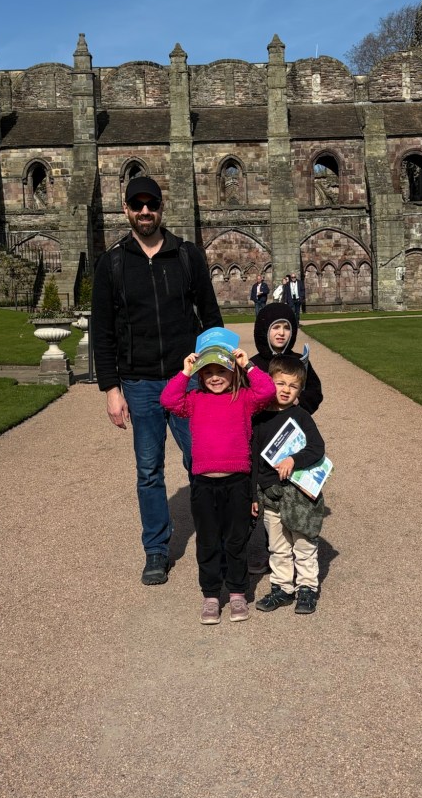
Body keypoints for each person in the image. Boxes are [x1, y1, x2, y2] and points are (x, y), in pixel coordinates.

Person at [92, 176, 223, 587]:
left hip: (187, 379)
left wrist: (217, 371)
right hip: (139, 383)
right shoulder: (112, 263)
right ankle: (156, 549)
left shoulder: (186, 255)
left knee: (203, 460)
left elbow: (211, 317)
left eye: (152, 204)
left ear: (162, 208)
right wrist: (111, 389)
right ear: (126, 210)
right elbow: (103, 332)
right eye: (137, 205)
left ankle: (216, 540)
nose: (145, 211)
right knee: (149, 471)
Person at [160, 342, 276, 624]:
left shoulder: (245, 398)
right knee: (208, 541)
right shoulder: (195, 399)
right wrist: (185, 373)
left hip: (237, 482)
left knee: (236, 541)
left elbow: (268, 391)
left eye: (221, 371)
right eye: (208, 372)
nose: (215, 377)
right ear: (200, 376)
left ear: (233, 373)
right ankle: (211, 595)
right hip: (204, 483)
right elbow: (169, 400)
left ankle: (237, 592)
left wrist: (248, 365)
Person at [252, 356, 327, 615]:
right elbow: (254, 461)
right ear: (269, 383)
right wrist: (253, 496)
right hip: (270, 494)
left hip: (298, 495)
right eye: (280, 383)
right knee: (278, 546)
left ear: (299, 390)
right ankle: (282, 588)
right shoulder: (259, 419)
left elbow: (317, 448)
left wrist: (294, 459)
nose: (285, 389)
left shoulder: (301, 416)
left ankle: (307, 588)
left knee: (303, 544)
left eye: (293, 386)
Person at [250, 303, 323, 415]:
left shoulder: (299, 360)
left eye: (287, 328)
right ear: (264, 330)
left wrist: (299, 401)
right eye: (276, 327)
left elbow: (315, 392)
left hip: (293, 418)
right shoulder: (253, 364)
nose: (281, 333)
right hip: (261, 421)